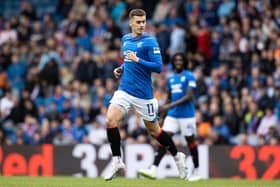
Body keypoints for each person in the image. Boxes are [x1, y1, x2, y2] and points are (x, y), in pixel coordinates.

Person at [104, 9, 187, 181]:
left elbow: (159, 67)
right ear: (130, 23)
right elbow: (128, 61)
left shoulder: (150, 41)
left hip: (144, 95)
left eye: (144, 21)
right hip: (125, 89)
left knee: (155, 131)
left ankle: (177, 156)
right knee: (110, 119)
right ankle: (117, 160)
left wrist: (137, 60)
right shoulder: (125, 39)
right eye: (138, 22)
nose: (142, 25)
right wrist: (122, 69)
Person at [138, 52, 201, 181]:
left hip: (187, 115)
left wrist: (169, 106)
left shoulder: (189, 76)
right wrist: (162, 116)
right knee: (164, 139)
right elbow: (168, 99)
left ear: (184, 61)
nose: (178, 62)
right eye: (176, 60)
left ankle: (197, 171)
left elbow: (189, 96)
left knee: (190, 141)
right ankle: (154, 169)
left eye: (180, 59)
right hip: (172, 115)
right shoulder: (171, 79)